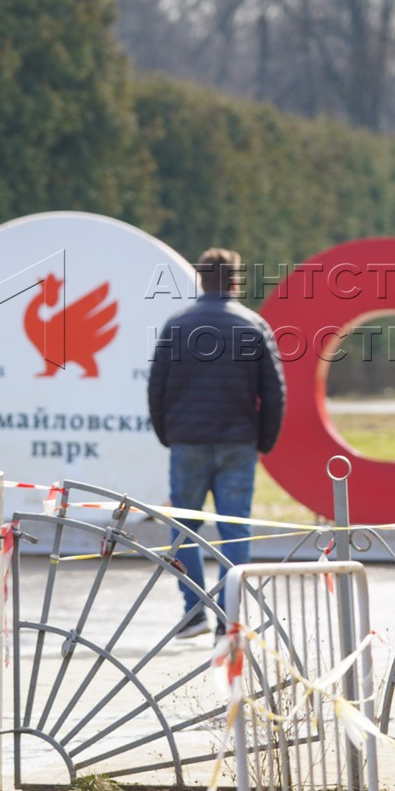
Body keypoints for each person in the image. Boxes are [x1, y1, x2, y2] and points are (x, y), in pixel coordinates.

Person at [148, 248, 286, 637]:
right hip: (238, 445)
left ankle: (193, 612)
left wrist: (168, 435)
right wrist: (263, 442)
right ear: (235, 281)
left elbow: (156, 388)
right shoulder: (253, 325)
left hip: (187, 443)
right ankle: (231, 617)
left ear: (202, 280)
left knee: (184, 529)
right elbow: (274, 392)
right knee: (235, 530)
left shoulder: (177, 325)